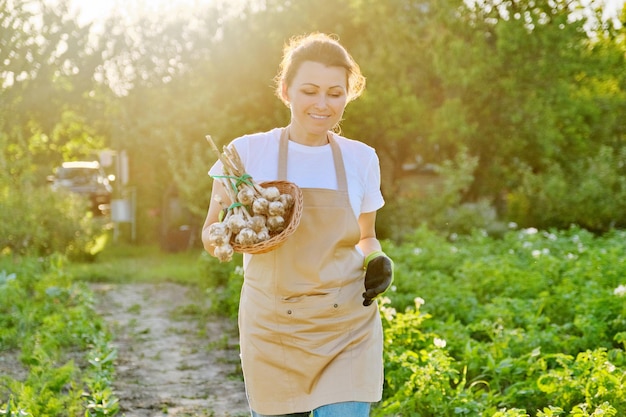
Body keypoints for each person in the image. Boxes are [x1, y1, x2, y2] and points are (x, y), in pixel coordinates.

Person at [201, 32, 394, 417]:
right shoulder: (246, 153)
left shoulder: (362, 159)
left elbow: (367, 235)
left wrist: (379, 260)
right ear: (286, 91)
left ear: (348, 95)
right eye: (310, 91)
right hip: (273, 328)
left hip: (346, 326)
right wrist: (234, 233)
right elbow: (211, 231)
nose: (323, 104)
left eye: (335, 93)